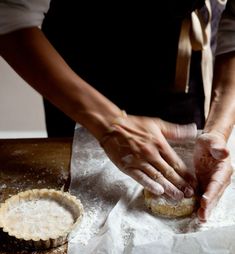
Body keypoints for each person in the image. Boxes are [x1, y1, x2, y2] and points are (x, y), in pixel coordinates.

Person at [0, 0, 233, 222]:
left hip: (175, 65)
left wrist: (217, 132)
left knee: (182, 171)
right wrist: (109, 124)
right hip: (79, 71)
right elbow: (11, 15)